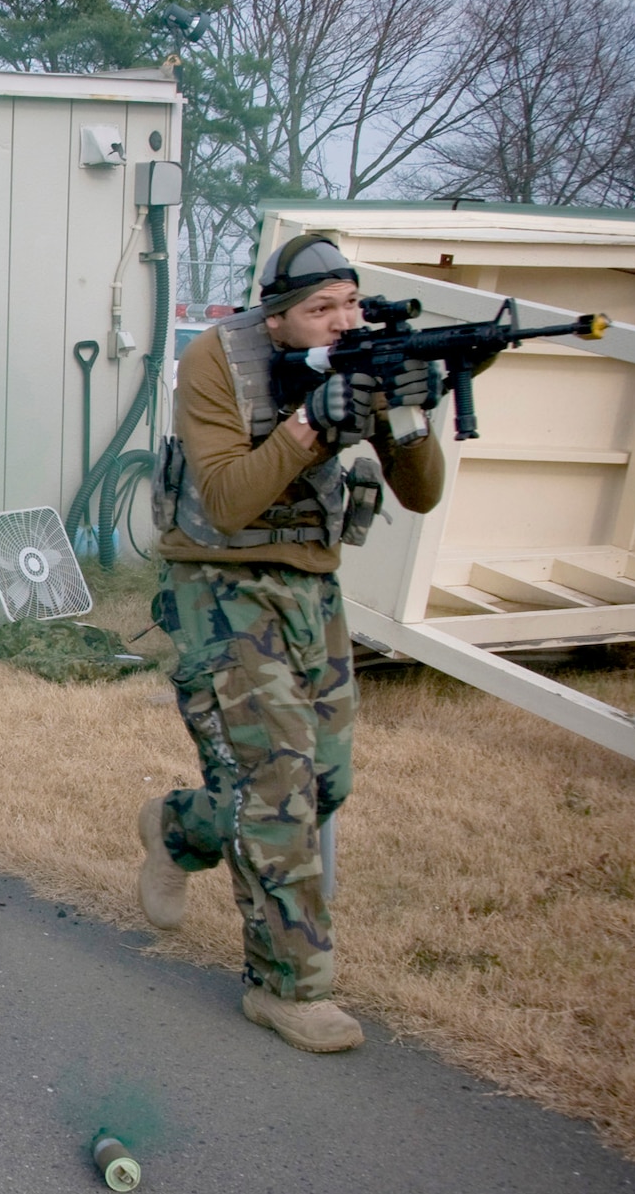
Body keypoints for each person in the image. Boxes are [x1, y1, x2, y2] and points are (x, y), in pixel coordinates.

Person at [138, 235, 446, 1053]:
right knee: (275, 789)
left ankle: (178, 828)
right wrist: (313, 422)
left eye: (350, 302)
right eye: (320, 310)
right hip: (219, 586)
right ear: (278, 318)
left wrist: (407, 418)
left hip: (312, 586)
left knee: (324, 783)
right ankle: (288, 988)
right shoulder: (218, 359)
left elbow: (422, 494)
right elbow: (231, 500)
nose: (342, 321)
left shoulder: (362, 356)